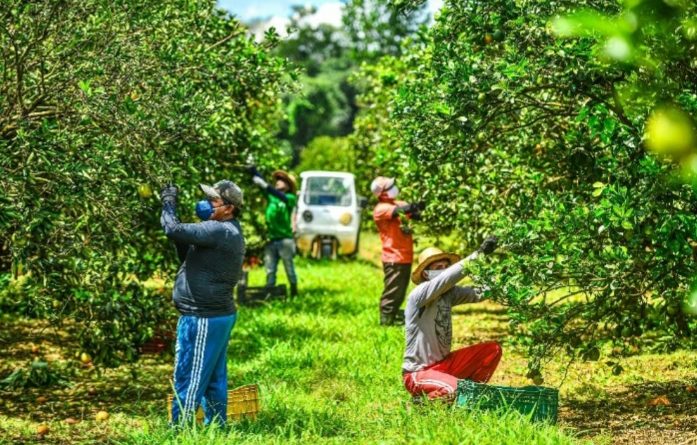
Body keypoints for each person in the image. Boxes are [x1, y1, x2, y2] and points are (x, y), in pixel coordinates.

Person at [160, 180, 245, 426]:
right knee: (214, 378)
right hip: (216, 316)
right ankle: (217, 426)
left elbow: (172, 229)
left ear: (229, 208)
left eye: (213, 201)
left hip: (204, 318)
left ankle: (179, 431)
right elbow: (188, 256)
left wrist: (168, 202)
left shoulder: (219, 231)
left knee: (189, 376)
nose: (207, 204)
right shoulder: (225, 231)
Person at [402, 237, 501, 402]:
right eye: (438, 267)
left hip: (444, 366)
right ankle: (422, 403)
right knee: (455, 390)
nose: (444, 270)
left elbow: (479, 293)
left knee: (493, 350)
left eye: (445, 267)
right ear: (426, 274)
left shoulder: (449, 294)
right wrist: (479, 255)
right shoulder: (420, 294)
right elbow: (447, 278)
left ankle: (467, 397)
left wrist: (510, 281)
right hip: (418, 373)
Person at [371, 176, 423, 326]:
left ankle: (393, 317)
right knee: (393, 289)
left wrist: (419, 208)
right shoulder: (381, 209)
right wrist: (414, 206)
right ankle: (386, 319)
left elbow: (415, 214)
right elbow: (399, 211)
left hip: (405, 255)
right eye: (390, 187)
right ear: (383, 193)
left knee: (400, 290)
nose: (395, 188)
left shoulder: (398, 203)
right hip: (393, 256)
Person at [247, 166, 299, 297]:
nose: (278, 182)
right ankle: (269, 292)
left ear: (288, 185)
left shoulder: (290, 198)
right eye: (277, 180)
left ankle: (294, 291)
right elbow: (263, 185)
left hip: (285, 239)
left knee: (289, 267)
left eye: (282, 180)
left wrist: (265, 185)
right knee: (270, 268)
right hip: (272, 239)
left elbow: (277, 194)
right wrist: (253, 170)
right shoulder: (272, 197)